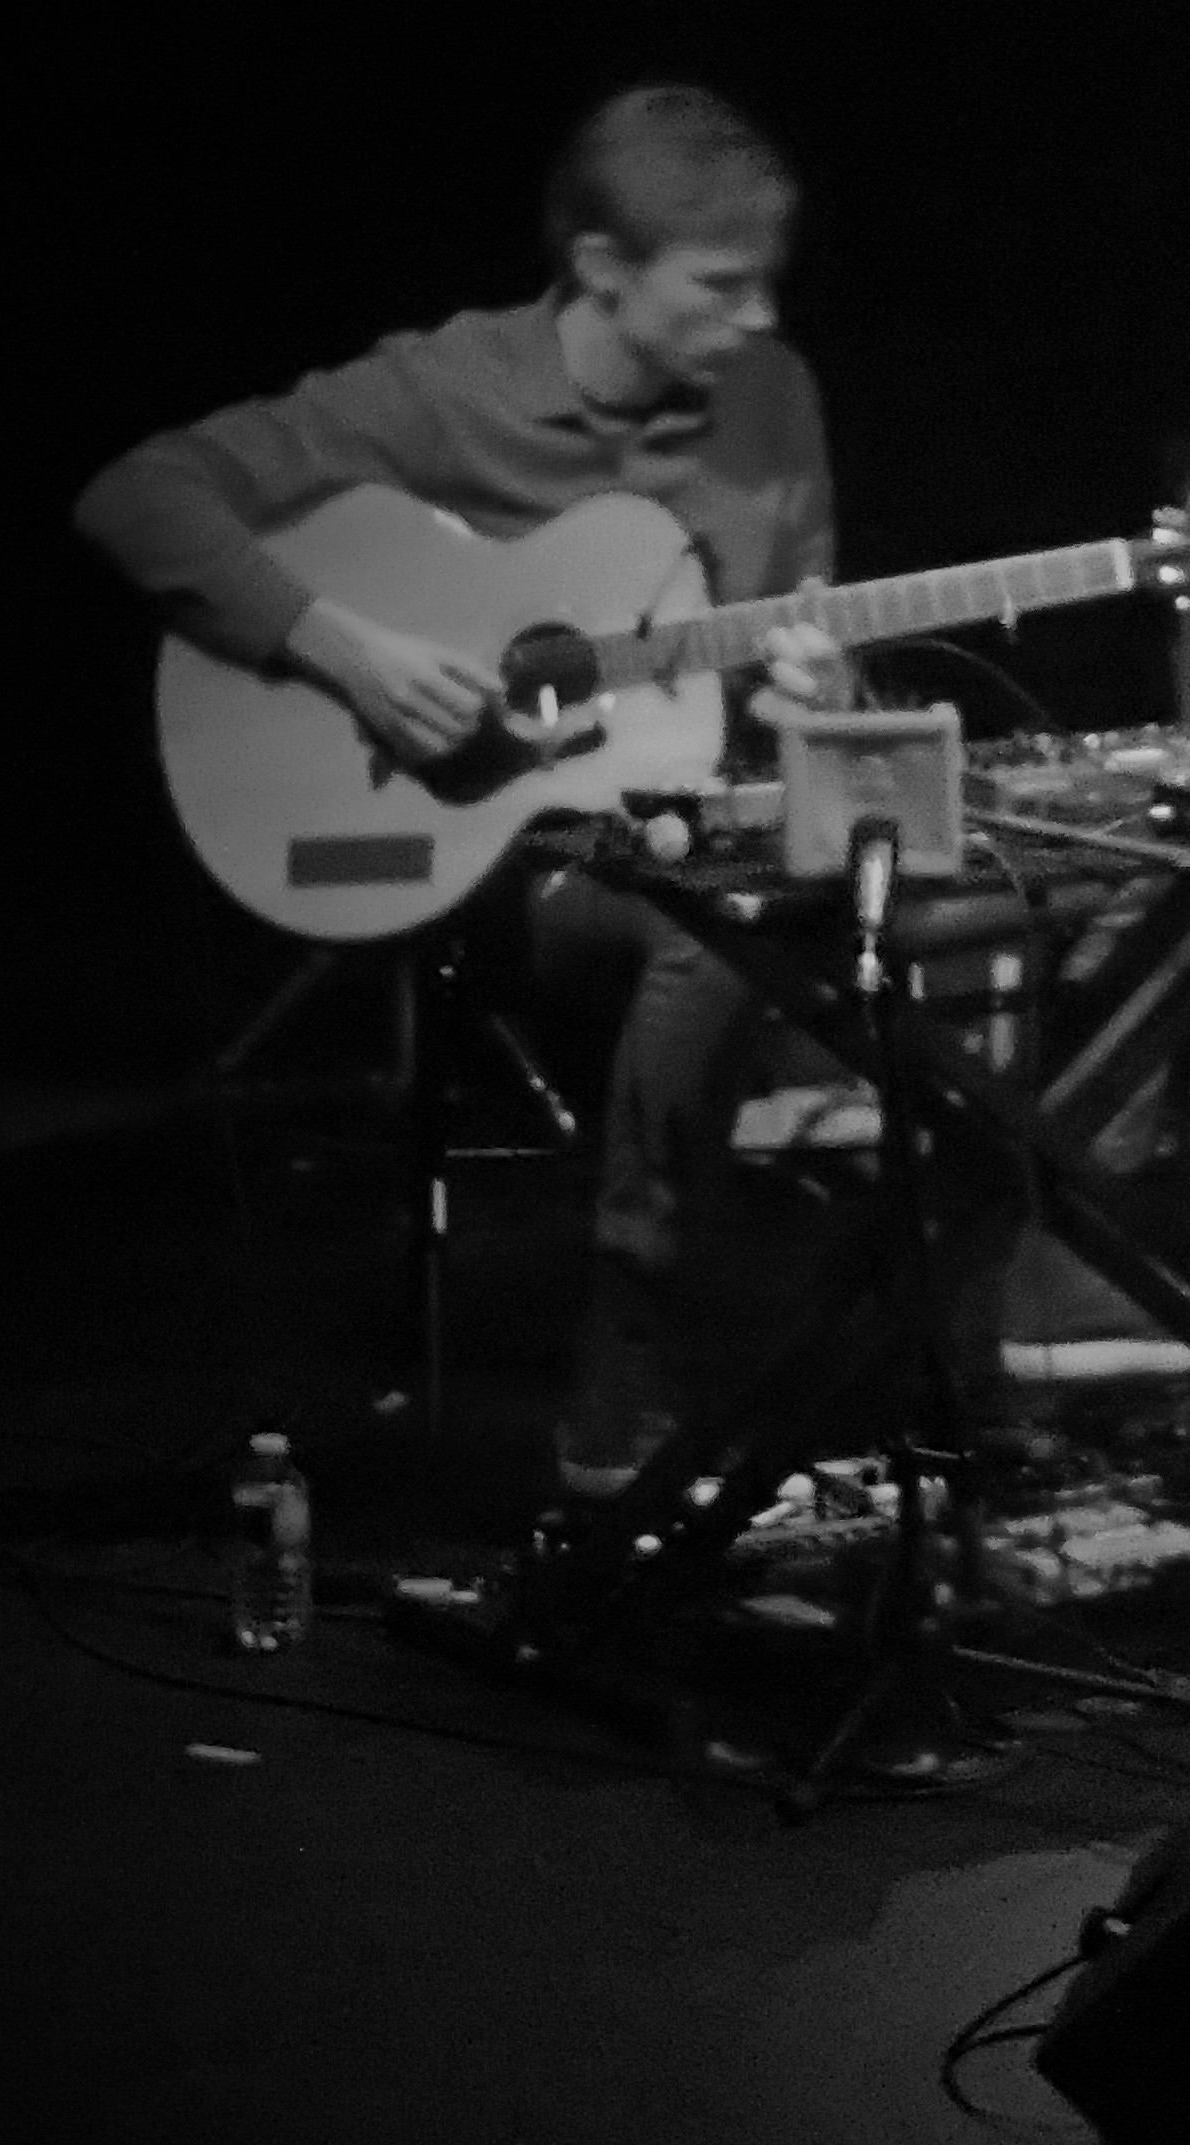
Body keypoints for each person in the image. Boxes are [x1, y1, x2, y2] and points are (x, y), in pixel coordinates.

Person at [76, 86, 849, 1490]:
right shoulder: (444, 392)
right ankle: (626, 1410)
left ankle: (977, 1376)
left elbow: (805, 641)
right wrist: (343, 650)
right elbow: (137, 495)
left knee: (991, 899)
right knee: (721, 926)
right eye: (720, 285)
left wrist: (821, 693)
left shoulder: (774, 399)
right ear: (602, 267)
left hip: (682, 820)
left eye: (766, 281)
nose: (759, 316)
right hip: (483, 857)